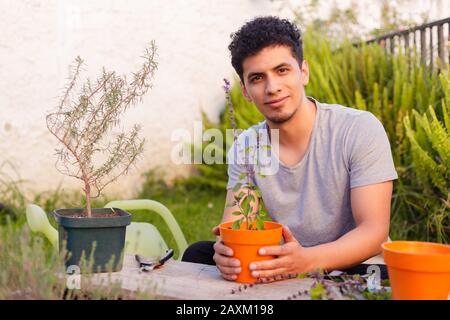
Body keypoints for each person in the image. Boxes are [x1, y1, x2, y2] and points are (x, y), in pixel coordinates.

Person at [182, 16, 398, 281]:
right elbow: (239, 224)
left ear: (303, 72)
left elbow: (374, 231)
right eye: (258, 78)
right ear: (246, 90)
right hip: (285, 262)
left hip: (356, 266)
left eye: (282, 70)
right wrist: (228, 251)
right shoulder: (247, 146)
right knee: (198, 254)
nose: (272, 88)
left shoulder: (358, 129)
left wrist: (308, 260)